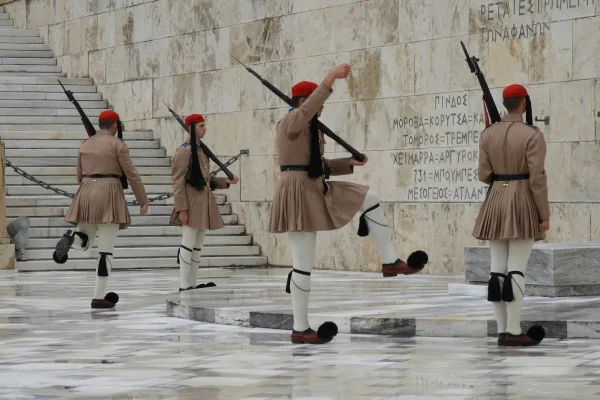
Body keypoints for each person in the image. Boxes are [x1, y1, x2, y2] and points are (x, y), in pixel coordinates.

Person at [269, 64, 428, 345]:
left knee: (370, 198)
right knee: (303, 263)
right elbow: (307, 112)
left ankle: (391, 262)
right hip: (297, 192)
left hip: (313, 185)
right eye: (317, 104)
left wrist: (348, 164)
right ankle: (300, 328)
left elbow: (320, 164)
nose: (322, 110)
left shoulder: (307, 127)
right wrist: (329, 78)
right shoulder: (292, 122)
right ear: (305, 102)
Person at [472, 84, 550, 346]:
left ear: (505, 104)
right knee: (516, 268)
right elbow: (537, 178)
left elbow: (484, 174)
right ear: (524, 103)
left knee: (497, 270)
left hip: (495, 199)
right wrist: (544, 213)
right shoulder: (532, 135)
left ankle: (502, 330)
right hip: (521, 199)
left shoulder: (487, 134)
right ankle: (514, 332)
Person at [55, 110, 149, 309]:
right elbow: (132, 174)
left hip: (86, 191)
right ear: (114, 126)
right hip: (109, 192)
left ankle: (71, 237)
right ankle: (98, 297)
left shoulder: (85, 143)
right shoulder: (118, 145)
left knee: (85, 242)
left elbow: (79, 175)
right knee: (105, 252)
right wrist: (143, 200)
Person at [170, 113, 240, 292]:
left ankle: (192, 282)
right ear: (192, 128)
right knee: (188, 242)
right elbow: (178, 182)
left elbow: (205, 178)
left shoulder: (200, 150)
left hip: (203, 200)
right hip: (191, 200)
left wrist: (226, 181)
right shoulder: (184, 151)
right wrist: (182, 209)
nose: (205, 128)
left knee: (197, 244)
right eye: (201, 126)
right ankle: (184, 283)